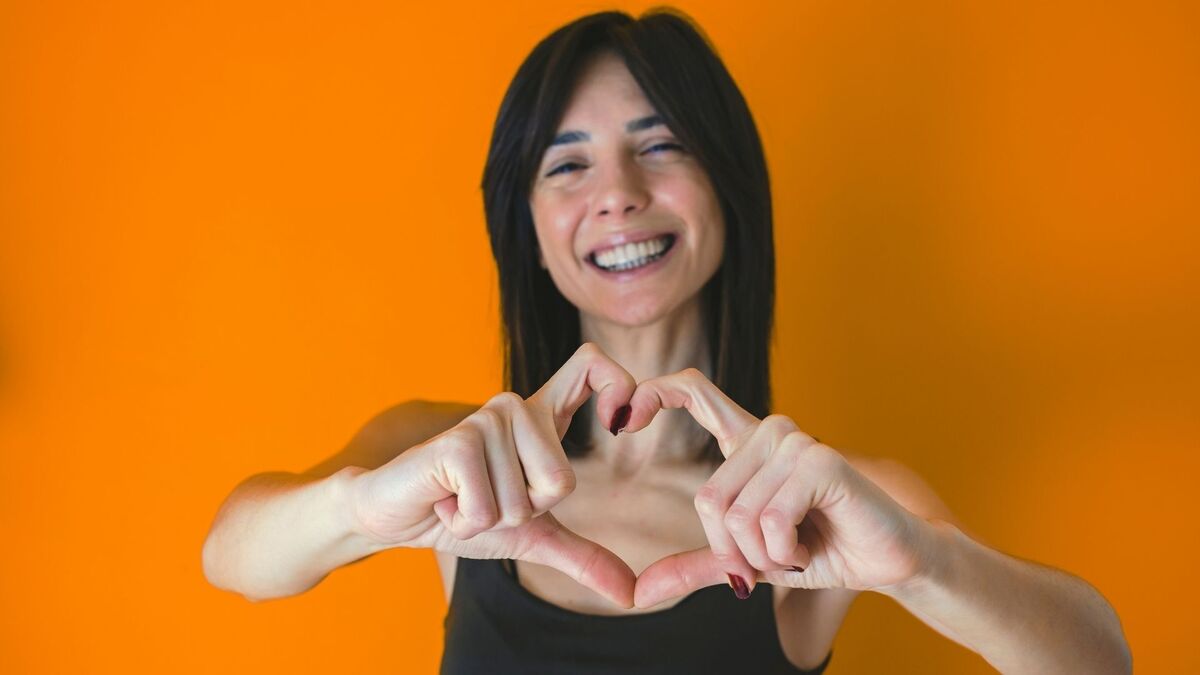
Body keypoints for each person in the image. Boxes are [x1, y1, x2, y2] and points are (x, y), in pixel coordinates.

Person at [202, 8, 1132, 674]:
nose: (617, 192)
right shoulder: (453, 464)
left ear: (727, 186)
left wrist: (926, 564)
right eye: (567, 163)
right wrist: (361, 508)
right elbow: (233, 556)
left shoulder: (825, 504)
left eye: (661, 145)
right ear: (524, 225)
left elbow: (1101, 660)